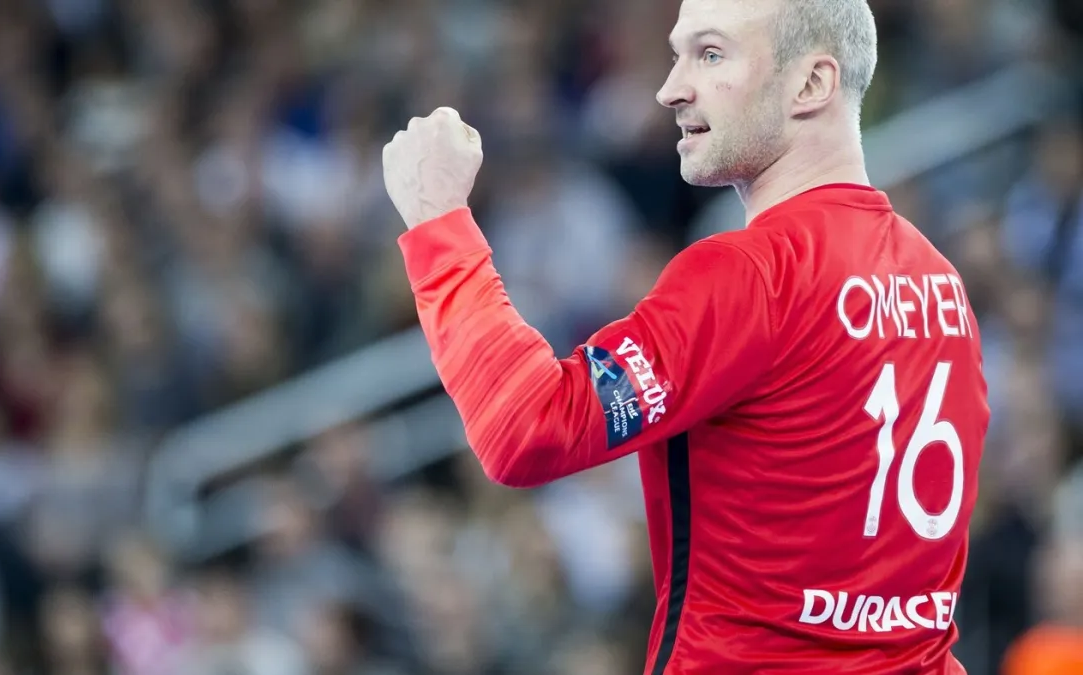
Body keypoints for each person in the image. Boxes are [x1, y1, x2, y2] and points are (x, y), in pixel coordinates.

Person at [380, 0, 988, 673]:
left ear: (812, 83)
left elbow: (525, 426)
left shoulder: (751, 276)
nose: (671, 89)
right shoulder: (940, 284)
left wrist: (438, 222)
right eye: (678, 55)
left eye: (711, 54)